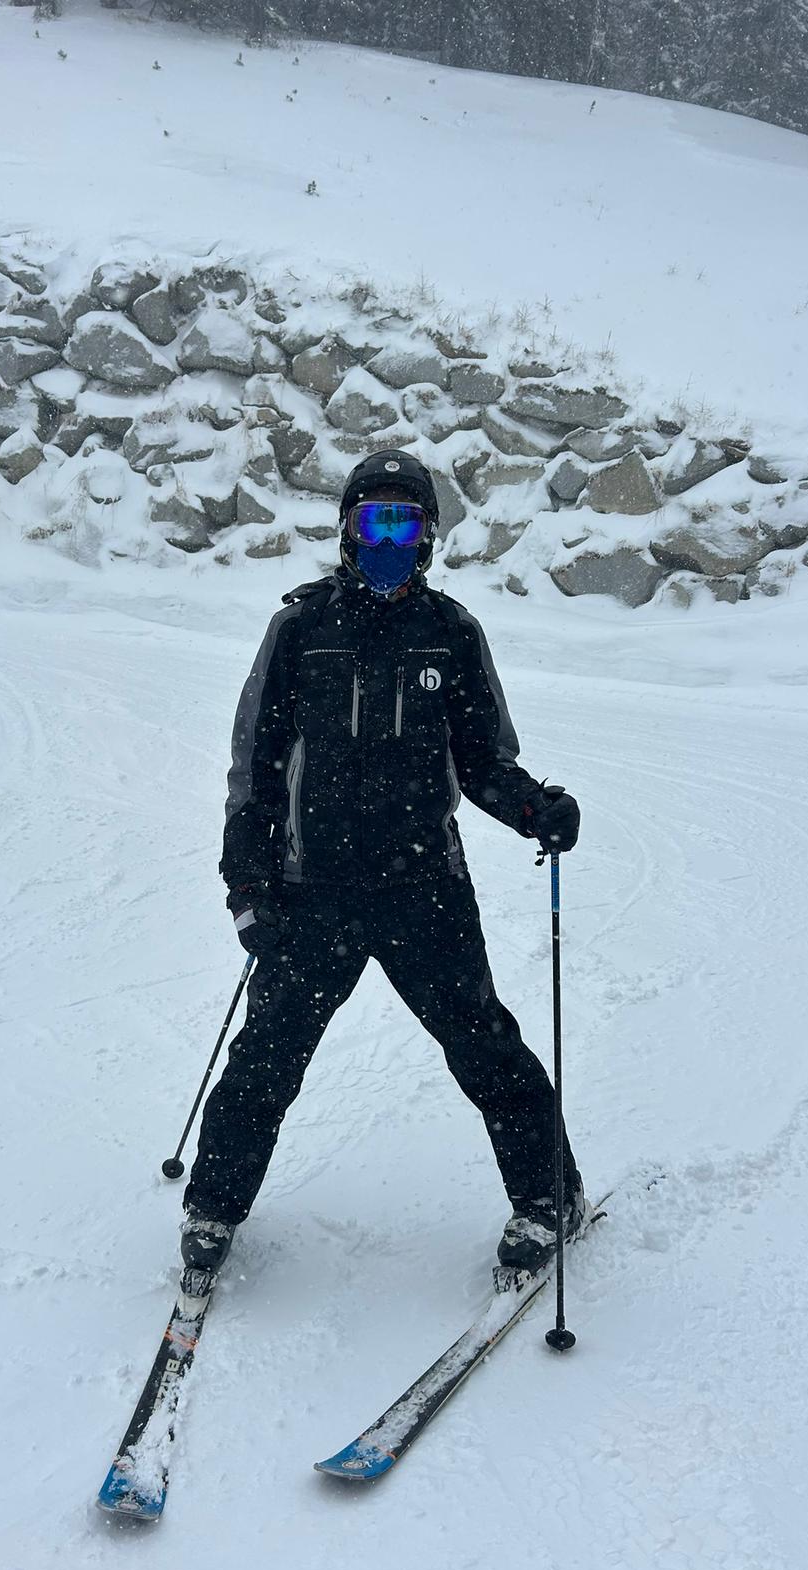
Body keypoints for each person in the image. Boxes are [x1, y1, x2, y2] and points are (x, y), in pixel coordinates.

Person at [182, 449, 585, 1275]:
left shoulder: (452, 633)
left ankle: (552, 1196)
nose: (388, 542)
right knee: (266, 1058)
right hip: (312, 891)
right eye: (375, 523)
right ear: (347, 531)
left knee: (485, 1046)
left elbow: (482, 760)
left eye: (406, 524)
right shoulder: (301, 630)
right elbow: (254, 768)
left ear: (430, 536)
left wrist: (533, 807)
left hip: (423, 888)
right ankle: (213, 1207)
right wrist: (247, 883)